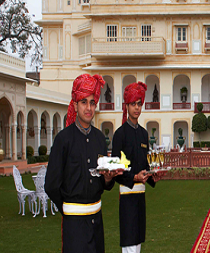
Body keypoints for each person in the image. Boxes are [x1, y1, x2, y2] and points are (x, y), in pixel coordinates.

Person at [45, 74, 121, 253]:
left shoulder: (99, 139)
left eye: (92, 103)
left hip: (97, 221)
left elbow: (103, 183)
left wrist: (108, 179)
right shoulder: (63, 139)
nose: (89, 108)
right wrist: (69, 209)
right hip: (74, 225)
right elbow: (51, 185)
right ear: (75, 104)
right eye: (84, 102)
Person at [112, 82, 161, 253]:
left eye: (139, 104)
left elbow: (145, 164)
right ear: (126, 106)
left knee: (138, 241)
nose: (137, 108)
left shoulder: (143, 134)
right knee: (129, 243)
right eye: (133, 104)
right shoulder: (119, 134)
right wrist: (134, 178)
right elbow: (115, 171)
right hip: (127, 197)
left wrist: (154, 175)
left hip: (141, 197)